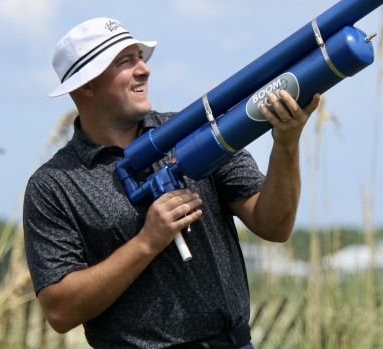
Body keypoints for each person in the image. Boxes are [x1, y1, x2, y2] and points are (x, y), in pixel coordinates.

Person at [23, 17, 319, 348]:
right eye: (125, 61)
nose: (143, 70)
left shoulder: (196, 132)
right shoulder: (53, 185)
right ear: (87, 86)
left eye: (140, 57)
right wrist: (148, 241)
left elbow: (274, 226)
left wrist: (287, 143)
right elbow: (60, 311)